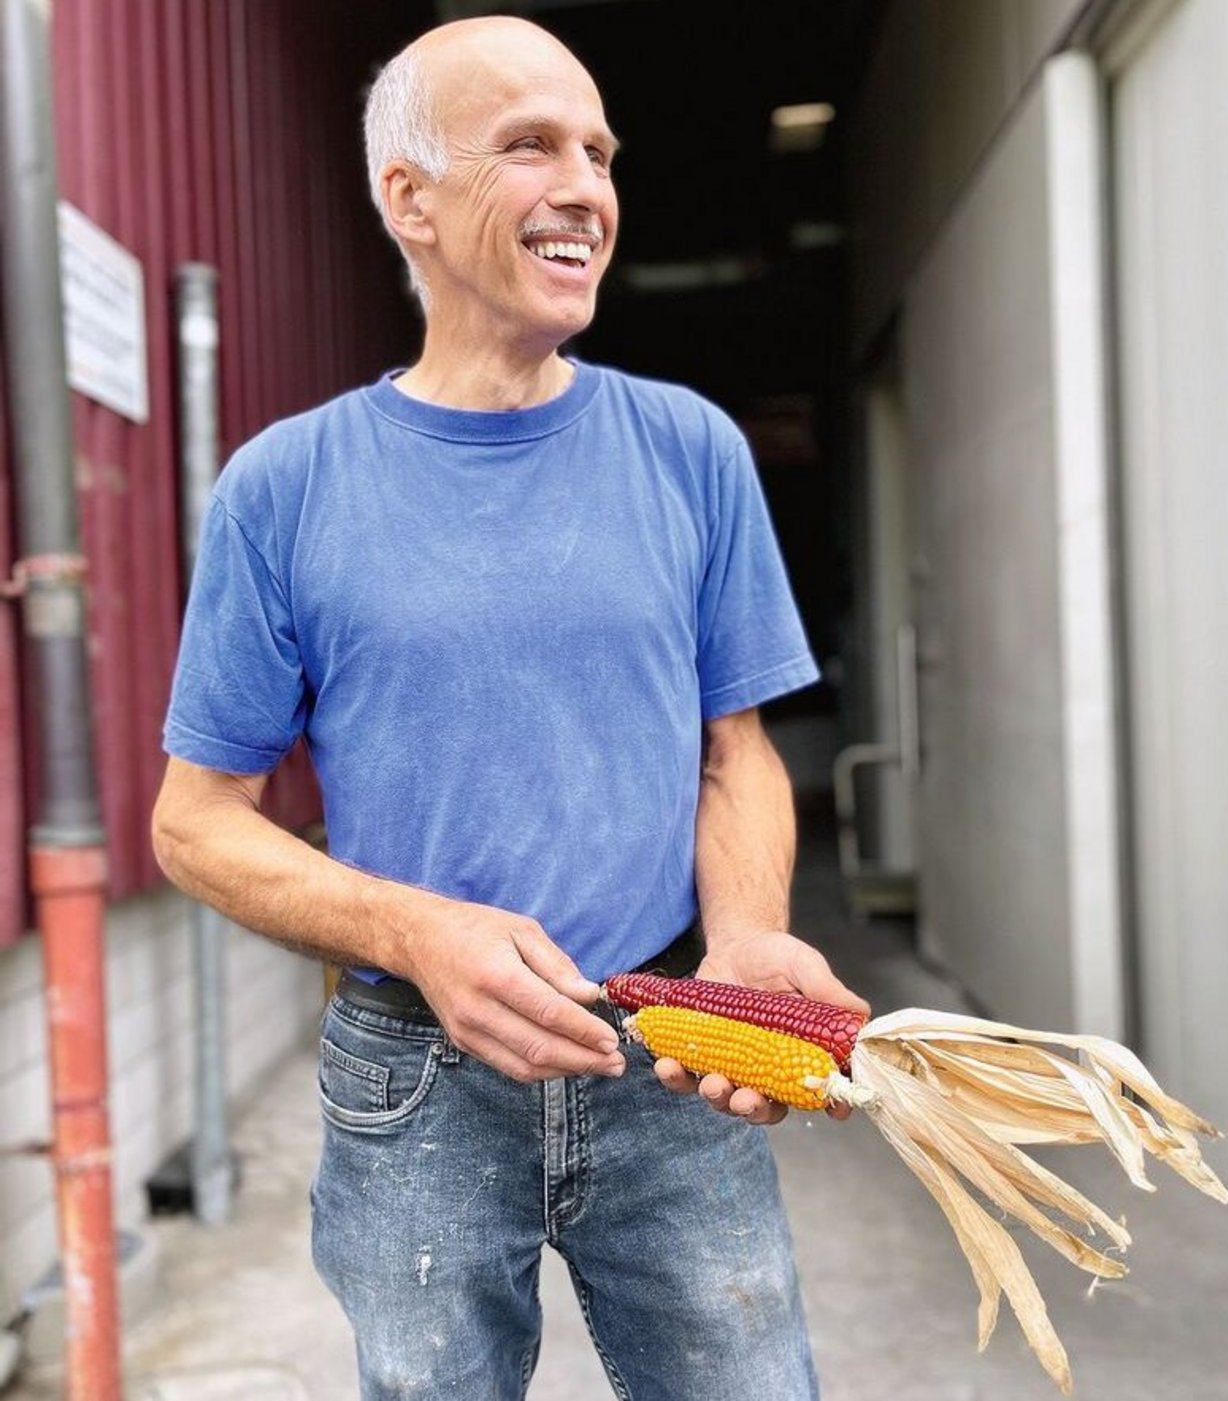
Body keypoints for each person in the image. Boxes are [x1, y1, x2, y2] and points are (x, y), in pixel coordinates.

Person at [153, 14, 870, 1400]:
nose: (587, 185)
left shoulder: (690, 448)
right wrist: (411, 927)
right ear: (406, 198)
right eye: (531, 144)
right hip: (412, 1080)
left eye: (599, 152)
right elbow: (193, 824)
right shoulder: (285, 487)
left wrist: (749, 931)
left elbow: (737, 758)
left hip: (669, 1046)